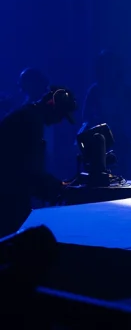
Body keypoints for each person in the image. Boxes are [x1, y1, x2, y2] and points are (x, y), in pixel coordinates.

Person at [0, 87, 77, 238]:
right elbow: (26, 169)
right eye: (60, 115)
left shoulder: (28, 116)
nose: (59, 120)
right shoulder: (30, 121)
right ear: (52, 105)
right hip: (9, 195)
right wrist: (56, 186)